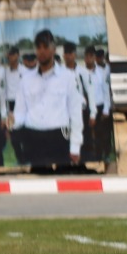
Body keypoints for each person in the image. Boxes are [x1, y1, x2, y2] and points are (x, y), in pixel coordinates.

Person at [11, 29, 82, 171]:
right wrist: (12, 121)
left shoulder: (68, 77)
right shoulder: (26, 79)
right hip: (34, 136)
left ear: (54, 49)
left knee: (62, 184)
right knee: (38, 186)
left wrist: (75, 146)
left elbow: (75, 113)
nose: (42, 51)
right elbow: (20, 113)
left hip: (59, 137)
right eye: (38, 47)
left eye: (46, 47)